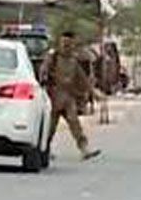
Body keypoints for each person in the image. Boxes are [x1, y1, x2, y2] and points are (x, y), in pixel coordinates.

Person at [41, 30, 102, 160]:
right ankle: (44, 149)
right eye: (64, 43)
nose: (66, 46)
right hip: (53, 97)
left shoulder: (74, 61)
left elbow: (83, 79)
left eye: (69, 43)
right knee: (50, 127)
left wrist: (94, 92)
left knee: (75, 123)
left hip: (68, 98)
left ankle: (84, 149)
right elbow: (43, 73)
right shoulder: (53, 57)